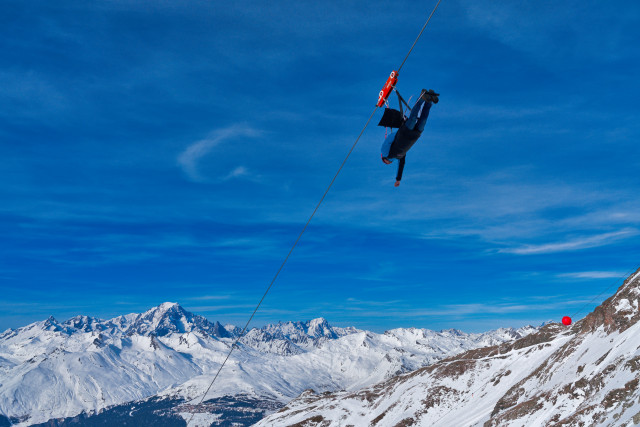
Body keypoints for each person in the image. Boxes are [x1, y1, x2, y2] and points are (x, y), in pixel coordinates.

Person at [381, 89, 438, 187]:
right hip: (415, 136)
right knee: (424, 119)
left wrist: (399, 131)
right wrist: (398, 179)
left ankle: (422, 98)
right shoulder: (399, 156)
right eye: (388, 163)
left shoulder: (385, 152)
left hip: (404, 132)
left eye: (385, 162)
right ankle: (429, 100)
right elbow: (401, 166)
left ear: (384, 159)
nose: (388, 163)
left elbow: (389, 139)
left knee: (413, 117)